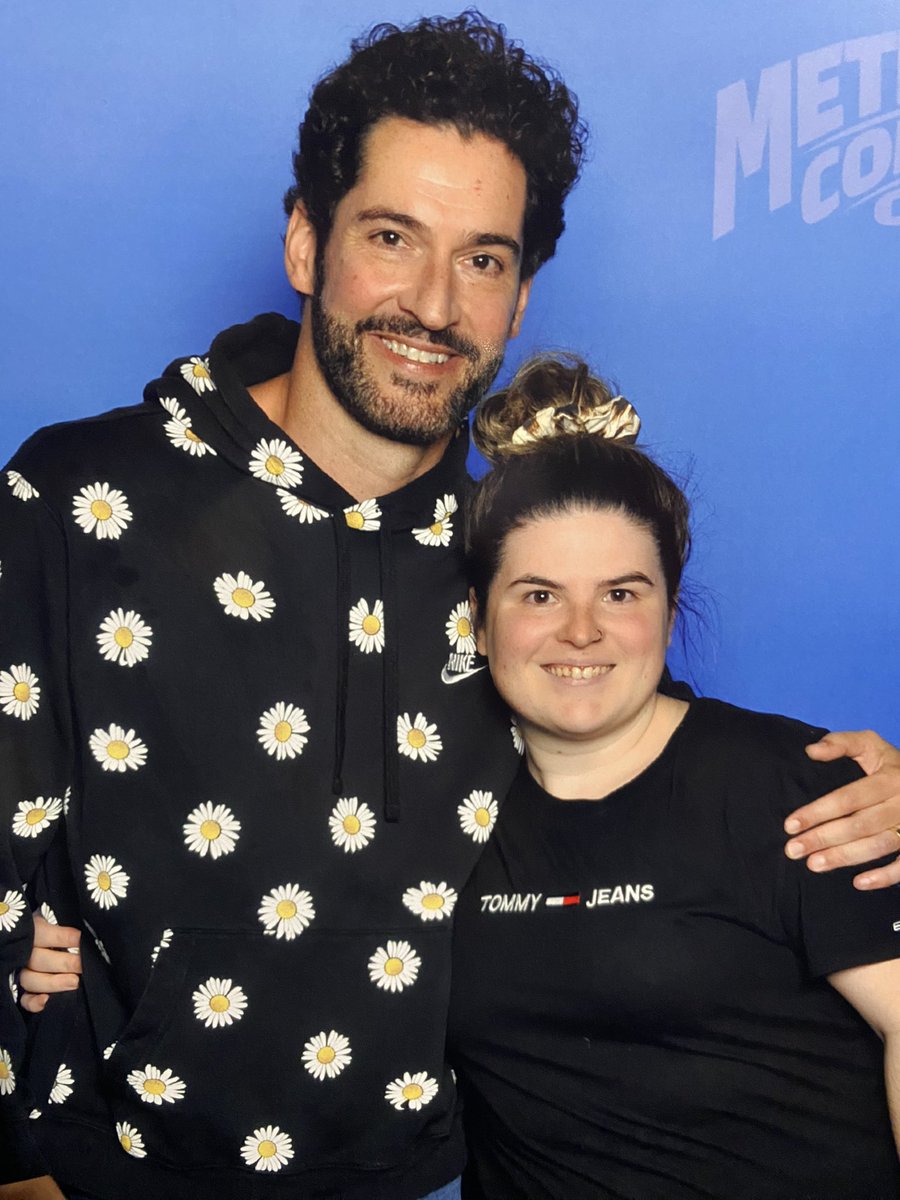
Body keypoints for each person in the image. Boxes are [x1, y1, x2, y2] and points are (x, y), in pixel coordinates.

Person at [1, 12, 899, 1200]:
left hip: (432, 1180)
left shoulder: (515, 568)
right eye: (391, 237)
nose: (433, 304)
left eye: (484, 258)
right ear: (305, 242)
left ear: (521, 297)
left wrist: (853, 798)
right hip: (111, 1170)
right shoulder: (80, 496)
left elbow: (651, 772)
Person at [449, 355, 900, 1199]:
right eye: (539, 596)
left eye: (621, 593)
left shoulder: (794, 784)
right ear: (478, 624)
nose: (581, 632)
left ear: (668, 608)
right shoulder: (444, 811)